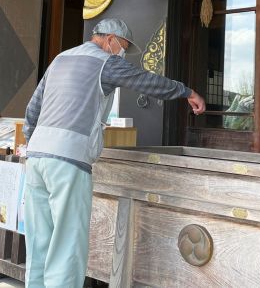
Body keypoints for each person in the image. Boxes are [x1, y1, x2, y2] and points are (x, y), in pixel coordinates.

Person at [22, 18, 206, 288]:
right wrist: (187, 91)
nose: (122, 53)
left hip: (36, 157)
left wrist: (34, 144)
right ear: (109, 40)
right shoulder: (106, 62)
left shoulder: (60, 58)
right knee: (67, 242)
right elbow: (147, 82)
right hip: (68, 161)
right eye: (123, 46)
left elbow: (33, 109)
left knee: (39, 239)